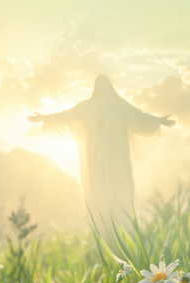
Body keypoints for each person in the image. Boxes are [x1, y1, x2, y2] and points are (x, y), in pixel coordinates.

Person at [28, 75, 175, 234]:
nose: (101, 86)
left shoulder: (118, 105)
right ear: (96, 86)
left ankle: (122, 227)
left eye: (103, 83)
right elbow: (66, 116)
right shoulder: (89, 106)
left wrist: (158, 120)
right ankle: (101, 228)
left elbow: (139, 117)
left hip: (117, 156)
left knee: (119, 187)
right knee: (98, 188)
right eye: (99, 83)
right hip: (97, 156)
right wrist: (45, 118)